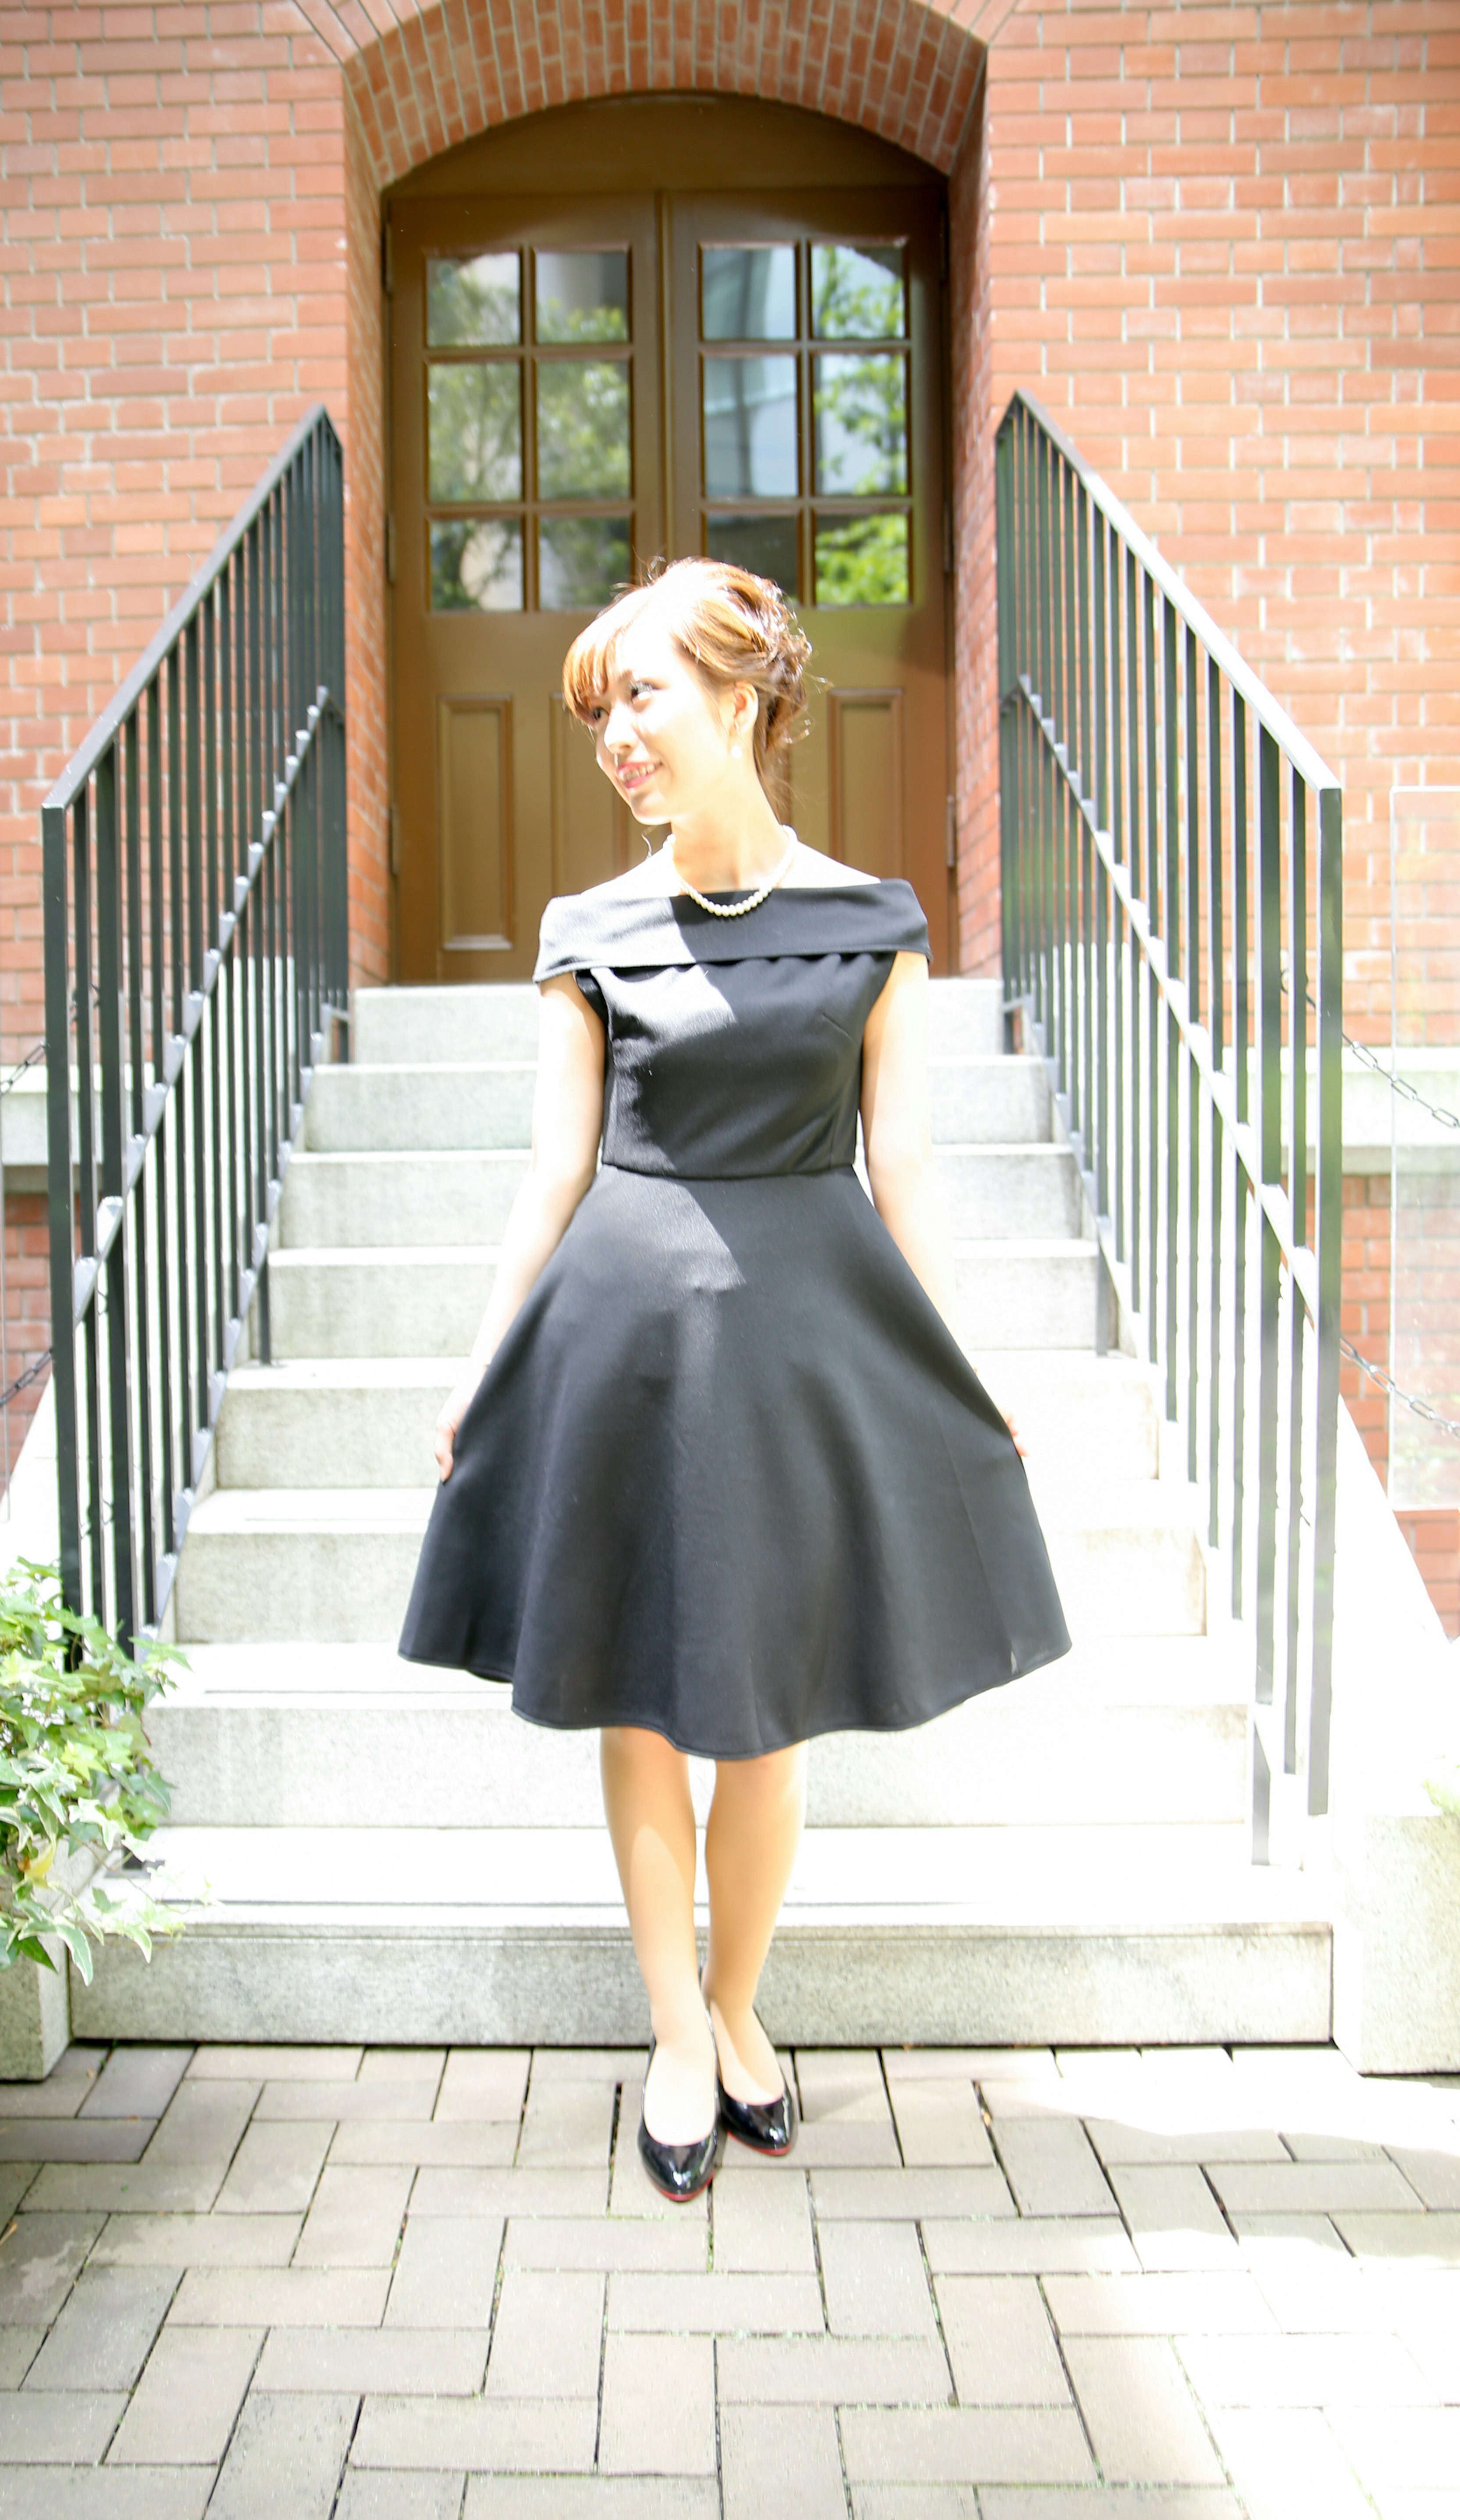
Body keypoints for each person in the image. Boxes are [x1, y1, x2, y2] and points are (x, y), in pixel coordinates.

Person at [398, 558, 1069, 2201]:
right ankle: (673, 2035)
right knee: (636, 1696)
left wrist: (970, 1370)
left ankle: (743, 2006)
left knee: (765, 1714)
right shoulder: (589, 931)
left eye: (643, 695)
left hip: (798, 1348)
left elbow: (902, 1167)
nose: (617, 735)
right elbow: (548, 1176)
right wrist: (486, 1368)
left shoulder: (875, 923)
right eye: (599, 711)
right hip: (618, 1348)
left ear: (747, 699)